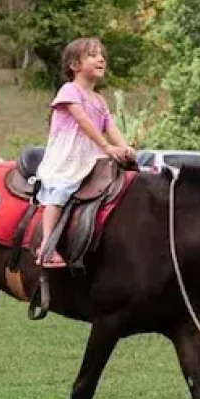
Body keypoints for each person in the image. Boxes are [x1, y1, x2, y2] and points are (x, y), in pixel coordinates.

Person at [35, 38, 136, 268]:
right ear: (74, 65)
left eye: (102, 55)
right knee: (61, 191)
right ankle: (47, 246)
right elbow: (83, 121)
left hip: (92, 155)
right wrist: (107, 147)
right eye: (92, 55)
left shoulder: (99, 99)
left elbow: (110, 126)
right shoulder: (70, 90)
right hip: (70, 155)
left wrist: (124, 146)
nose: (101, 59)